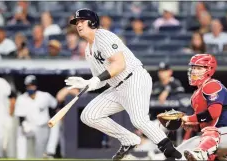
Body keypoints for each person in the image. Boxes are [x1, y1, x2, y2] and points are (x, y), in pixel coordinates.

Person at [66, 8, 182, 160]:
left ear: (92, 22)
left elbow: (119, 65)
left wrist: (97, 79)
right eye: (76, 22)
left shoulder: (104, 36)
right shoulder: (88, 50)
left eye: (81, 21)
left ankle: (171, 152)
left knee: (139, 120)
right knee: (89, 115)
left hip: (134, 78)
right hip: (117, 87)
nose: (78, 25)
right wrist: (88, 83)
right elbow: (101, 80)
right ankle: (129, 139)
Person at [179, 54, 227, 161]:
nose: (194, 71)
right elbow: (208, 120)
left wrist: (189, 118)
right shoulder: (196, 94)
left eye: (199, 68)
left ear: (209, 70)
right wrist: (196, 126)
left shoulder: (211, 85)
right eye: (193, 67)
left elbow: (214, 113)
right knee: (181, 152)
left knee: (207, 136)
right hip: (214, 137)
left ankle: (202, 153)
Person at [14, 75, 58, 159]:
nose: (30, 88)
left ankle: (50, 152)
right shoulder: (21, 98)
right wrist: (23, 125)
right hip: (29, 126)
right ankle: (21, 158)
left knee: (39, 153)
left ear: (36, 86)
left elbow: (55, 105)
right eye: (28, 86)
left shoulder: (45, 96)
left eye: (32, 85)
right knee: (20, 132)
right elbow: (20, 116)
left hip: (43, 127)